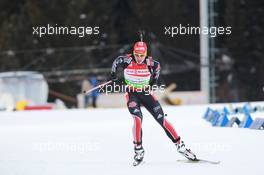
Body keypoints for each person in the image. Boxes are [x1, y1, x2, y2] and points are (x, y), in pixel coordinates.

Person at [110, 41, 196, 166]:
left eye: (142, 55)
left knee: (162, 120)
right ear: (134, 53)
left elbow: (157, 70)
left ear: (145, 53)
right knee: (138, 119)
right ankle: (138, 150)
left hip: (146, 94)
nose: (139, 58)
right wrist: (114, 75)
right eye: (137, 55)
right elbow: (116, 62)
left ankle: (181, 147)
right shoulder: (126, 60)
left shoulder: (152, 63)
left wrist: (153, 82)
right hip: (132, 95)